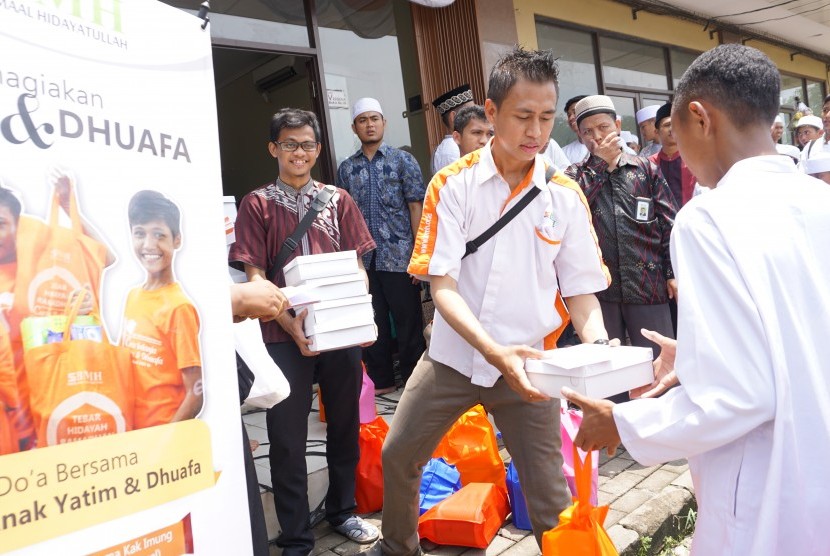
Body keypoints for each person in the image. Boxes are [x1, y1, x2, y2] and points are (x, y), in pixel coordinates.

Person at [563, 44, 830, 556]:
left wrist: (620, 422)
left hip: (768, 485)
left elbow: (738, 395)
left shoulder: (709, 218)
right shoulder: (817, 200)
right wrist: (696, 358)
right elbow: (795, 333)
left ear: (699, 117)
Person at [376, 46, 613, 555]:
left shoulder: (564, 195)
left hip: (530, 368)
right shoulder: (452, 184)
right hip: (453, 359)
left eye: (547, 118)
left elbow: (580, 291)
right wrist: (492, 352)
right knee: (399, 455)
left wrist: (600, 353)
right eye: (523, 116)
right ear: (491, 110)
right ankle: (396, 548)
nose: (536, 131)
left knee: (550, 497)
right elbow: (442, 286)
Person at [230, 108, 378, 553]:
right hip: (281, 338)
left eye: (308, 145)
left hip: (339, 336)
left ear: (318, 149)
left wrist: (359, 315)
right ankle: (296, 537)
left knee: (345, 426)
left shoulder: (339, 199)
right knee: (288, 439)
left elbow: (357, 267)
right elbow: (255, 278)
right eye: (290, 144)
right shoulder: (256, 204)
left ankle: (343, 510)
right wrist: (292, 327)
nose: (299, 152)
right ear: (273, 148)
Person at [565, 95, 677, 402]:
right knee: (608, 369)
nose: (597, 136)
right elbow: (569, 211)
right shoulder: (574, 175)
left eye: (603, 127)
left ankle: (662, 423)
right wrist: (600, 164)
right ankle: (614, 427)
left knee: (656, 359)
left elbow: (669, 223)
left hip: (648, 281)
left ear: (618, 125)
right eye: (588, 131)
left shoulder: (646, 169)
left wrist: (671, 272)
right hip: (602, 288)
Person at [337, 98, 427, 394]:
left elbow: (416, 208)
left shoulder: (403, 161)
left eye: (374, 118)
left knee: (408, 321)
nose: (369, 124)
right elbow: (344, 218)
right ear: (354, 127)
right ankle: (382, 380)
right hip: (365, 261)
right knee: (372, 320)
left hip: (400, 256)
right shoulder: (347, 169)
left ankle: (415, 381)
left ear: (384, 122)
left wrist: (418, 256)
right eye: (363, 120)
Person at [121, 190, 203, 428]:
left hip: (162, 435)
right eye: (140, 233)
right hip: (132, 431)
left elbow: (195, 394)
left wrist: (165, 440)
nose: (149, 245)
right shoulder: (133, 296)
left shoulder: (179, 308)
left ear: (177, 239)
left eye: (159, 234)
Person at [648, 103, 696, 208]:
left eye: (675, 124)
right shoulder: (649, 164)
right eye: (667, 125)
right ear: (657, 132)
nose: (672, 129)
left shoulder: (694, 160)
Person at [431, 84, 474, 174]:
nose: (476, 116)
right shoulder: (453, 148)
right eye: (471, 112)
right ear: (454, 117)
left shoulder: (450, 145)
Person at [561, 95, 590, 164]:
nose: (571, 118)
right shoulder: (564, 152)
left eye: (575, 112)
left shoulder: (610, 144)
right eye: (569, 115)